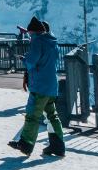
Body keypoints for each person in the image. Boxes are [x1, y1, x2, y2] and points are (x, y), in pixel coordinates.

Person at [9, 16, 65, 158]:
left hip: (40, 86)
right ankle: (57, 146)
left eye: (30, 33)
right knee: (52, 116)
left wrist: (25, 59)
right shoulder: (52, 42)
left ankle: (26, 144)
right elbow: (47, 60)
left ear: (34, 32)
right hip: (52, 85)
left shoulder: (38, 42)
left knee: (32, 115)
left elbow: (32, 62)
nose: (29, 35)